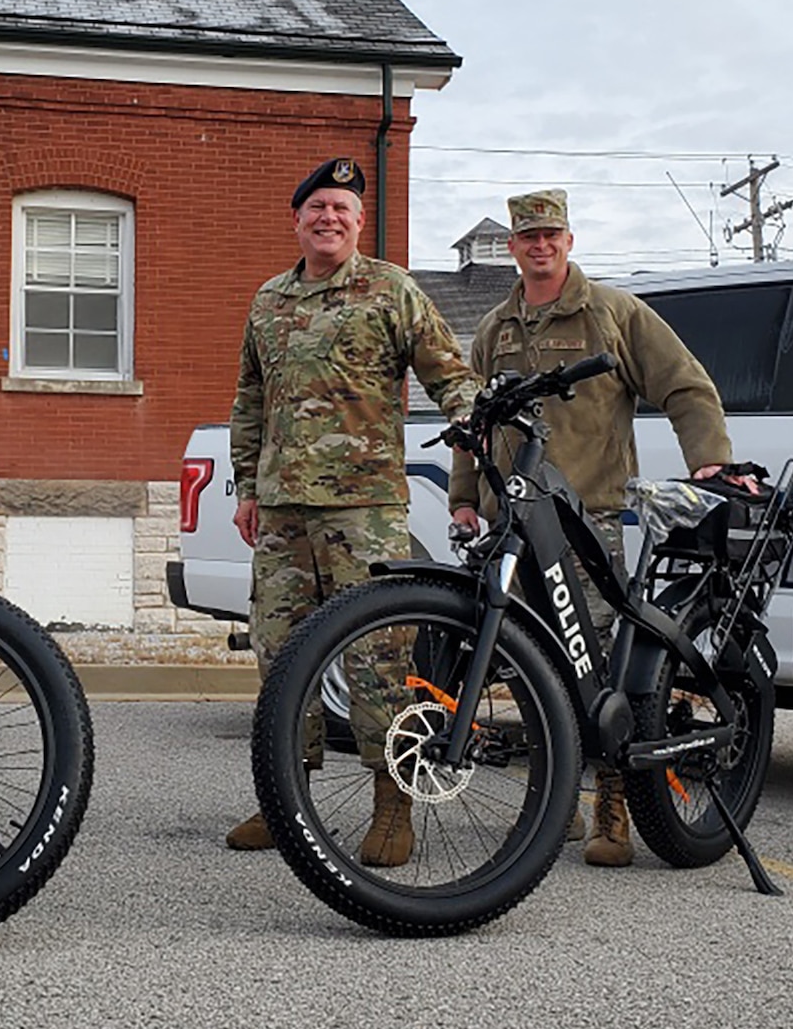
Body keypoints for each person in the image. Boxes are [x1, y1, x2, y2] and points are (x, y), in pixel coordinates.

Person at [449, 188, 735, 866]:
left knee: (600, 662)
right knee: (530, 666)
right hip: (513, 521)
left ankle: (613, 807)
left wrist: (711, 463)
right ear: (513, 247)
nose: (539, 245)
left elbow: (686, 385)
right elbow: (475, 421)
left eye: (550, 234)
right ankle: (556, 801)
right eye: (528, 237)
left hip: (586, 520)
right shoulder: (495, 328)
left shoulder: (613, 313)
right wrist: (465, 497)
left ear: (569, 240)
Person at [226, 156, 479, 865]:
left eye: (342, 208)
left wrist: (474, 419)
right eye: (317, 209)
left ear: (359, 222)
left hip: (362, 508)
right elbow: (250, 400)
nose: (329, 218)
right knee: (280, 658)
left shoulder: (389, 289)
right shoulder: (269, 299)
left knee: (377, 659)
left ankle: (392, 807)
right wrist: (247, 486)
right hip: (281, 513)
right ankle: (285, 801)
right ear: (297, 220)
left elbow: (447, 372)